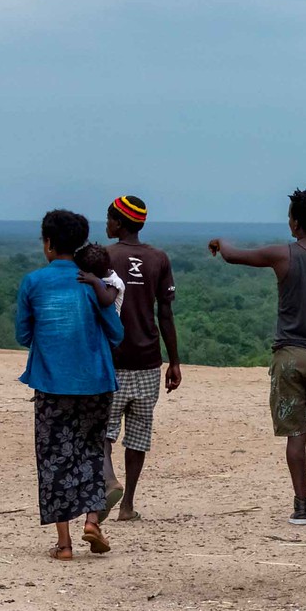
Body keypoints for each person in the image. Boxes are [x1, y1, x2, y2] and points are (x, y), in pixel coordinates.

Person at [210, 189, 306, 525]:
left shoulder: (284, 255)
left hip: (288, 357)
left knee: (296, 435)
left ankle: (301, 505)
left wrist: (221, 242)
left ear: (294, 222)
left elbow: (236, 255)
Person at [15, 209, 124, 560]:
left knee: (54, 458)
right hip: (96, 382)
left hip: (51, 384)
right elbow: (116, 333)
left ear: (48, 244)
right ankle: (93, 520)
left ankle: (64, 545)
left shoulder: (33, 282)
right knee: (92, 450)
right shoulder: (91, 282)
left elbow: (23, 334)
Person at [102, 195, 181, 520]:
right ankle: (128, 504)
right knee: (138, 434)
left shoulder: (104, 256)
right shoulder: (158, 258)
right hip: (148, 359)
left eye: (108, 218)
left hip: (110, 359)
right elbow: (165, 313)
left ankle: (108, 482)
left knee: (101, 431)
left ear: (118, 223)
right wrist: (174, 360)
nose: (105, 224)